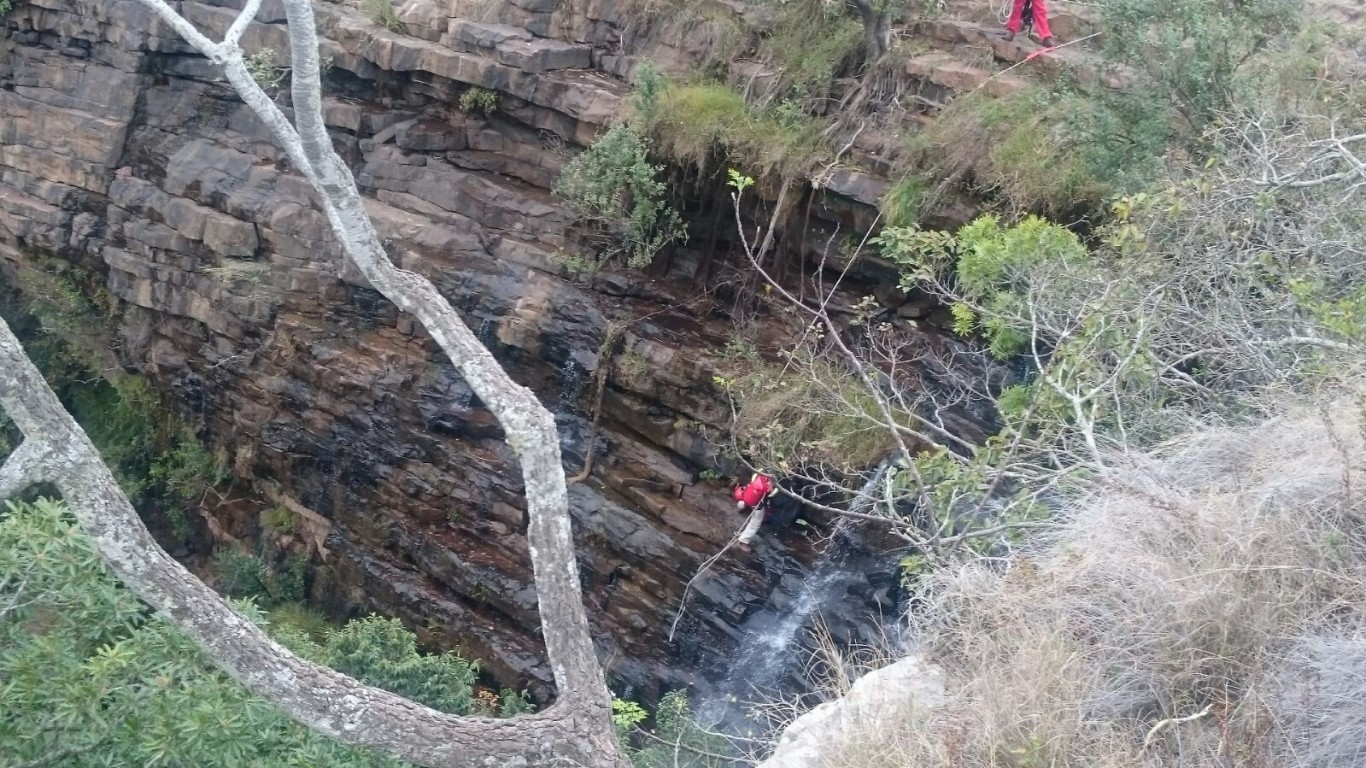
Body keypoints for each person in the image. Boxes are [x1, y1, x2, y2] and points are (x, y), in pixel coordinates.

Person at [733, 472, 776, 553]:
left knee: (748, 494)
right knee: (755, 523)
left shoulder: (759, 474)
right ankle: (742, 542)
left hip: (746, 497)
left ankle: (742, 506)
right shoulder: (770, 486)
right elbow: (771, 495)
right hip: (756, 505)